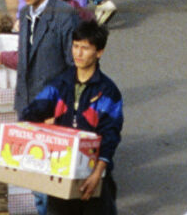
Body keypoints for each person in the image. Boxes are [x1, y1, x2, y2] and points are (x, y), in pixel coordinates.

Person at [21, 21, 122, 214]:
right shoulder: (60, 84)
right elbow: (33, 111)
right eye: (75, 46)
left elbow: (110, 134)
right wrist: (41, 125)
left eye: (85, 48)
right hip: (61, 172)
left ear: (99, 52)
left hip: (93, 174)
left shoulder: (108, 91)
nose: (78, 53)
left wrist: (98, 172)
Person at [0, 0, 79, 120]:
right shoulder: (24, 13)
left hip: (54, 108)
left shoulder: (65, 16)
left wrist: (63, 109)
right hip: (26, 108)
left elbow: (76, 65)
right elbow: (24, 59)